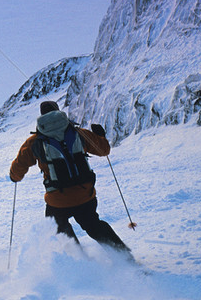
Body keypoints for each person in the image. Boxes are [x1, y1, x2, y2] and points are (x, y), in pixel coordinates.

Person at [9, 100, 132, 255]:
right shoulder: (78, 133)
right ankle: (124, 257)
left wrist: (14, 177)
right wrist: (100, 136)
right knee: (93, 225)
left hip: (57, 199)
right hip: (85, 194)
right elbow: (104, 150)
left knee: (57, 227)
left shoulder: (34, 142)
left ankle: (77, 261)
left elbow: (18, 168)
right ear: (59, 112)